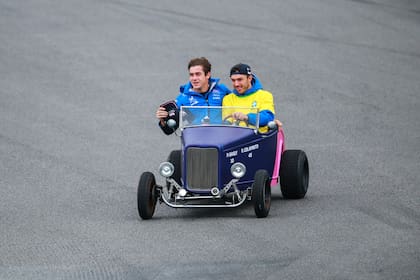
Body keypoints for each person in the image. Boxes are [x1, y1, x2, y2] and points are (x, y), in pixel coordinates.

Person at [156, 57, 230, 134]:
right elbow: (169, 130)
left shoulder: (222, 90)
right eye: (191, 75)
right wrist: (162, 120)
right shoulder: (183, 99)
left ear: (207, 75)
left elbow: (236, 103)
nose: (194, 78)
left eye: (198, 74)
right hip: (195, 143)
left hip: (220, 141)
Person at [222, 63, 276, 132]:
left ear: (249, 78)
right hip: (235, 138)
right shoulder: (228, 99)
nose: (236, 84)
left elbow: (267, 118)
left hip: (257, 139)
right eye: (233, 80)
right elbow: (226, 123)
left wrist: (247, 117)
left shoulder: (265, 96)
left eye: (240, 79)